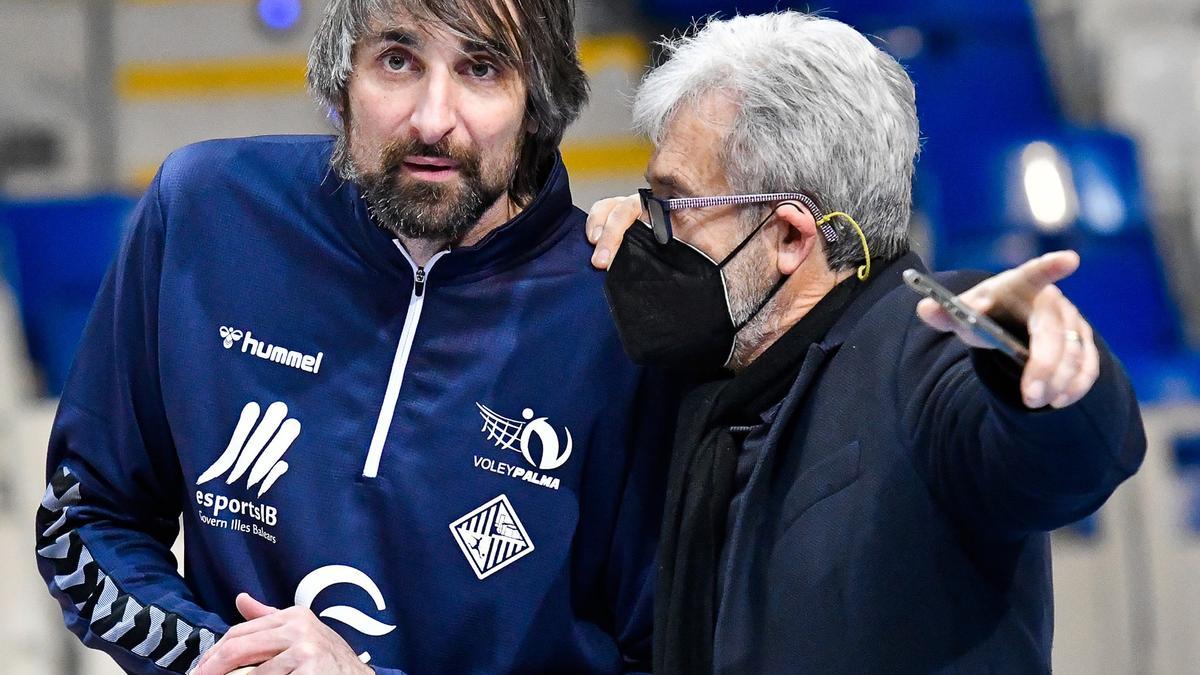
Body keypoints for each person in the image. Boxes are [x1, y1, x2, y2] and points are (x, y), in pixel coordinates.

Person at [34, 1, 674, 673]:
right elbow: (88, 518)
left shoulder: (621, 317)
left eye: (481, 68)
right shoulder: (205, 213)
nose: (432, 119)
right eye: (397, 62)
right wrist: (233, 659)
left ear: (539, 104)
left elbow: (663, 648)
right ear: (341, 77)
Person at [586, 11, 1146, 674]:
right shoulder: (720, 369)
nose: (653, 230)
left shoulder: (920, 343)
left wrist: (1039, 366)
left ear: (790, 237)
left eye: (673, 204)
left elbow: (1064, 461)